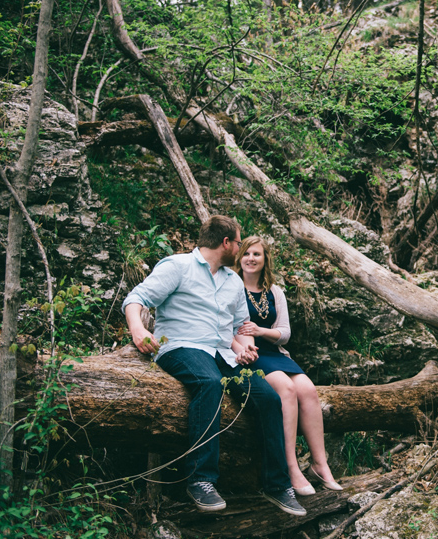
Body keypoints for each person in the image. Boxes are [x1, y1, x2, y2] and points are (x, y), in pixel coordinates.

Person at [122, 215, 306, 516]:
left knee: (269, 399)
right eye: (238, 242)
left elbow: (237, 328)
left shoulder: (232, 281)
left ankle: (277, 485)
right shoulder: (177, 266)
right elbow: (137, 298)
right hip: (182, 347)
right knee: (209, 384)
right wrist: (138, 329)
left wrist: (245, 349)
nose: (240, 247)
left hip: (223, 353)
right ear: (226, 243)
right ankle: (201, 480)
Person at [233, 236, 343, 495]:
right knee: (287, 390)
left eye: (257, 254)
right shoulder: (231, 287)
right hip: (250, 353)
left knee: (308, 390)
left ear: (264, 259)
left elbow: (284, 333)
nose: (251, 258)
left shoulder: (274, 291)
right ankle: (291, 466)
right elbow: (224, 328)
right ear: (239, 257)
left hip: (275, 352)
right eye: (246, 253)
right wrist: (246, 346)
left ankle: (320, 464)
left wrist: (261, 330)